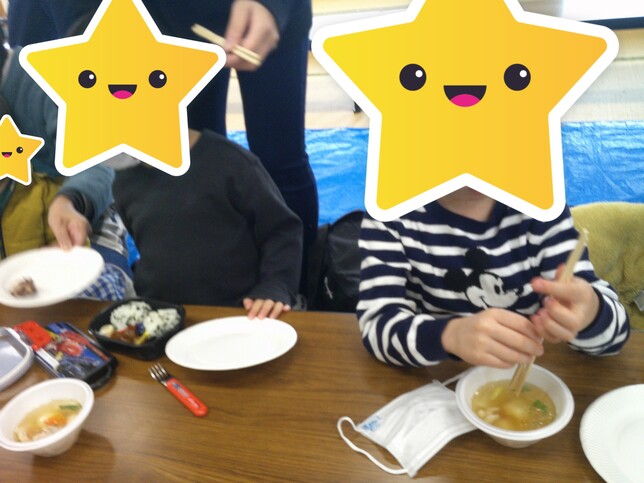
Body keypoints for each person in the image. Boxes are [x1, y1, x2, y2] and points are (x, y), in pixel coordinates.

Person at [8, 0, 318, 293]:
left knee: (281, 160)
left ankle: (299, 295)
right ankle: (210, 300)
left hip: (258, 15)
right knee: (189, 173)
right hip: (164, 19)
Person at [357, 187, 630, 368]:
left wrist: (590, 314)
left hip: (531, 370)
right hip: (437, 383)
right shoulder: (390, 213)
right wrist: (450, 336)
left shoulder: (541, 209)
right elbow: (377, 324)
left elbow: (615, 337)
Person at [112, 128, 303, 320]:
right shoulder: (123, 180)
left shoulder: (230, 161)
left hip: (241, 311)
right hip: (161, 313)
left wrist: (275, 285)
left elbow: (281, 229)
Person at [0, 42, 133, 300]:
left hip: (82, 221)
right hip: (13, 246)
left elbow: (99, 159)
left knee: (91, 300)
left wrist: (70, 201)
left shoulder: (41, 78)